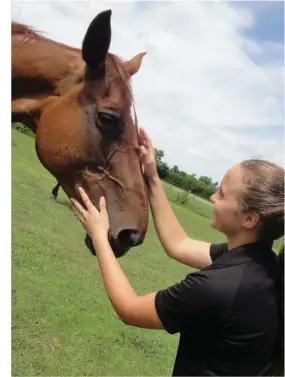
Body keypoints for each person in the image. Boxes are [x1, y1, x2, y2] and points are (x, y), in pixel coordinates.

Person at [70, 127, 284, 376]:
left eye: (223, 194)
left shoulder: (218, 288)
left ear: (250, 219)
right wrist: (151, 174)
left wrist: (99, 237)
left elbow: (128, 308)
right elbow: (178, 244)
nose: (213, 197)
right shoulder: (260, 261)